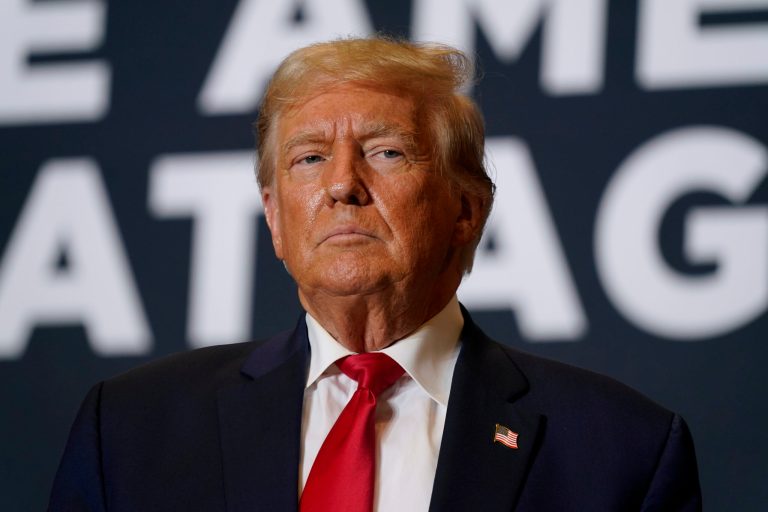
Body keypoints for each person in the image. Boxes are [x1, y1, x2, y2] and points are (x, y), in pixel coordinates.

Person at [49, 37, 701, 511]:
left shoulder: (623, 452)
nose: (341, 185)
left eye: (385, 152)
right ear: (274, 218)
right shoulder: (132, 430)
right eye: (308, 158)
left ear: (466, 210)